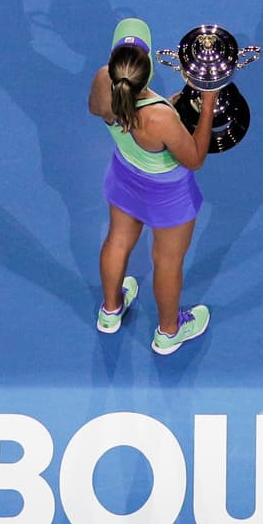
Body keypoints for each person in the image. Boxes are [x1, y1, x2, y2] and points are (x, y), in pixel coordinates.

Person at [88, 18, 219, 354]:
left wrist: (168, 106)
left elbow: (103, 110)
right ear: (146, 70)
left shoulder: (104, 80)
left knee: (117, 241)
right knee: (167, 262)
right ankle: (168, 332)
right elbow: (194, 158)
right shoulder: (160, 118)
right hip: (168, 196)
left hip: (125, 177)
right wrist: (206, 105)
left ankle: (110, 311)